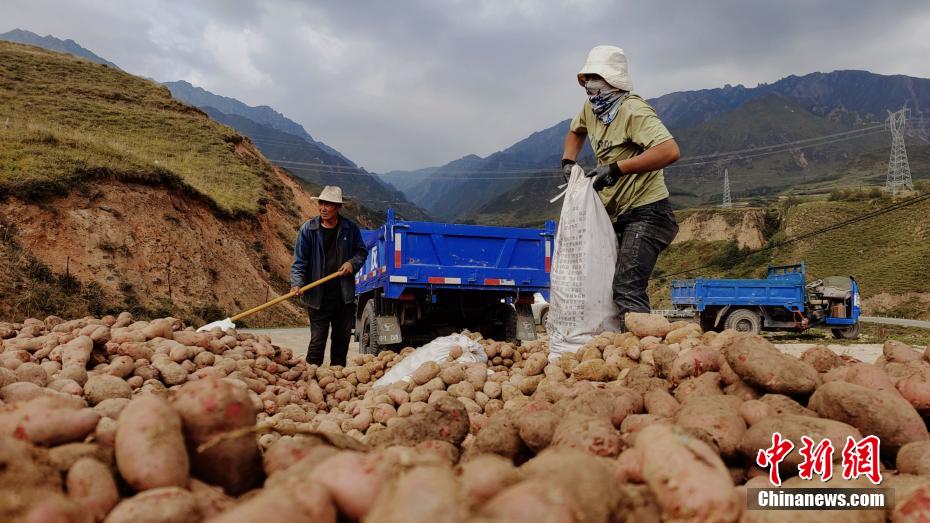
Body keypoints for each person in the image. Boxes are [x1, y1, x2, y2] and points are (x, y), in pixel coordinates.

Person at [560, 45, 681, 330]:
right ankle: (619, 342)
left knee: (627, 286)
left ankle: (641, 347)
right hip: (616, 214)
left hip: (648, 212)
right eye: (587, 79)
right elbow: (576, 130)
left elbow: (669, 151)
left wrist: (617, 168)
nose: (590, 85)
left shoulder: (633, 110)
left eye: (596, 78)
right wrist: (568, 161)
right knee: (603, 282)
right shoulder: (593, 108)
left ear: (612, 81)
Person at [290, 186, 368, 366]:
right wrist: (297, 283)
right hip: (317, 297)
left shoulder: (350, 229)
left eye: (328, 204)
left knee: (341, 342)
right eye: (321, 203)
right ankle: (311, 377)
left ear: (338, 207)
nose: (323, 208)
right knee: (317, 343)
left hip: (343, 297)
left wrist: (351, 264)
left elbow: (361, 252)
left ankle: (337, 378)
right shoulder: (308, 230)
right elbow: (300, 262)